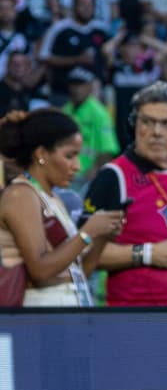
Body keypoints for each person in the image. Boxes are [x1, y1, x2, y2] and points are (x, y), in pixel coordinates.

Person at [82, 81, 167, 306]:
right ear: (133, 125)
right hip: (135, 321)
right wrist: (146, 253)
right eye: (148, 121)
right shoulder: (113, 176)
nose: (157, 132)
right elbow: (83, 252)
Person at [0, 108, 123, 306]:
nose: (78, 166)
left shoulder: (54, 198)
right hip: (39, 323)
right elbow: (40, 271)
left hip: (66, 319)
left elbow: (78, 273)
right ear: (41, 154)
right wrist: (87, 232)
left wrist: (102, 236)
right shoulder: (21, 195)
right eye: (70, 156)